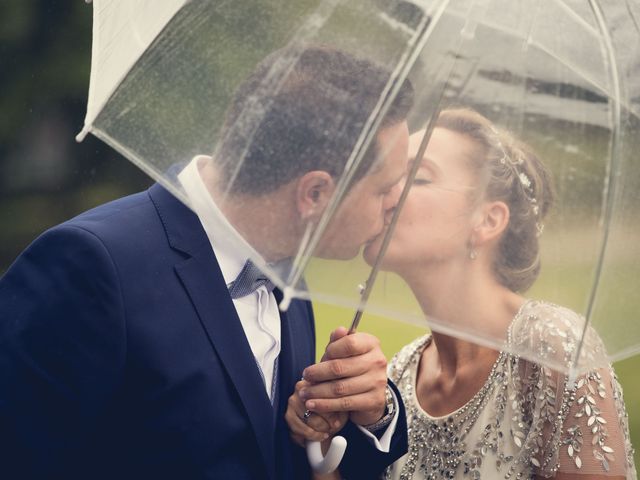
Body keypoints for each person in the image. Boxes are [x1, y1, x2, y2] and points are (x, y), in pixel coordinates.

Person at [0, 46, 413, 479]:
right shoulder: (90, 267)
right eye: (385, 188)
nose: (395, 205)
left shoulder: (288, 276)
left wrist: (355, 419)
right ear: (314, 194)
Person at [288, 108, 637, 479]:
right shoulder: (398, 374)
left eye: (417, 179)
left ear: (487, 221)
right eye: (390, 179)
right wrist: (321, 447)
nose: (389, 195)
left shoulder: (553, 350)